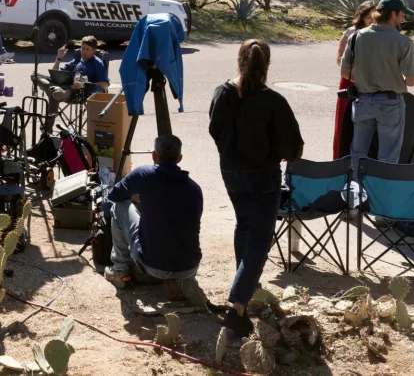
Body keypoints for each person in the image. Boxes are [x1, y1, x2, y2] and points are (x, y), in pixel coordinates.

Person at [208, 39, 304, 339]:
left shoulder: (222, 92)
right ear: (267, 67)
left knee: (244, 226)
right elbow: (293, 147)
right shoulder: (272, 101)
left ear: (240, 61)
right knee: (260, 236)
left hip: (232, 172)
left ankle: (246, 283)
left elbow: (214, 129)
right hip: (262, 175)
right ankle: (238, 304)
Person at [104, 135, 206, 304]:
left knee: (119, 206)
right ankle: (176, 279)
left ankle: (121, 270)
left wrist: (134, 196)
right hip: (189, 267)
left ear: (154, 156)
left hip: (152, 265)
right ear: (179, 159)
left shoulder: (143, 174)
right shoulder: (195, 189)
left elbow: (114, 196)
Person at [340, 0, 414, 171]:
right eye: (402, 15)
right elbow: (412, 81)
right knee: (387, 157)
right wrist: (392, 79)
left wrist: (364, 79)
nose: (403, 19)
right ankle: (382, 195)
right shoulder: (403, 42)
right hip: (391, 103)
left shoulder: (356, 37)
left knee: (357, 153)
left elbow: (345, 71)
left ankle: (354, 193)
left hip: (362, 101)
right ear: (393, 14)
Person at [332, 0, 376, 158]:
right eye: (369, 16)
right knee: (344, 125)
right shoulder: (350, 32)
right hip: (350, 82)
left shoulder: (380, 34)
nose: (372, 20)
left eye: (375, 16)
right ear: (362, 16)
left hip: (373, 85)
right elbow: (339, 60)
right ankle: (339, 161)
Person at [41, 35, 109, 134]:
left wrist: (85, 83)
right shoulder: (77, 60)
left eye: (87, 49)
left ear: (93, 50)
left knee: (54, 93)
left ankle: (47, 129)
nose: (83, 51)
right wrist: (59, 58)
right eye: (82, 48)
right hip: (66, 85)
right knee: (36, 76)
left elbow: (105, 85)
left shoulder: (97, 63)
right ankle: (57, 91)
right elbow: (55, 73)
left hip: (81, 92)